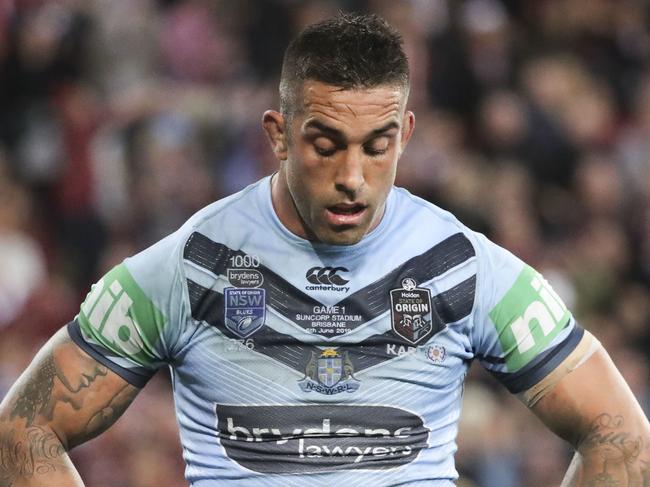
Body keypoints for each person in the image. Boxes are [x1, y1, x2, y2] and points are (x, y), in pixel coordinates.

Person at [1, 13, 649, 487]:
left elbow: (622, 436)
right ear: (278, 135)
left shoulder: (461, 266)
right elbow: (22, 431)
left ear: (406, 135)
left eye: (377, 144)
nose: (352, 176)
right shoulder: (190, 265)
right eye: (326, 142)